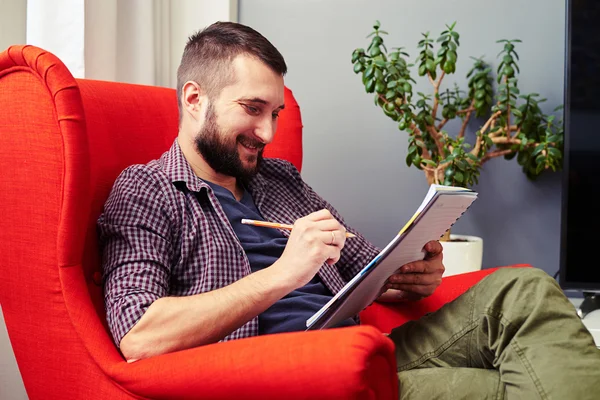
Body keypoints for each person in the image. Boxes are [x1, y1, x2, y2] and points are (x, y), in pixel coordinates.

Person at [98, 21, 600, 399]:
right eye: (252, 109)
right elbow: (141, 336)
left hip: (364, 345)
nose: (269, 135)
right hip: (290, 375)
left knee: (526, 289)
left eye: (274, 115)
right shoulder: (147, 190)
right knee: (498, 386)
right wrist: (282, 275)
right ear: (194, 99)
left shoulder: (278, 179)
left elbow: (365, 262)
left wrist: (410, 272)